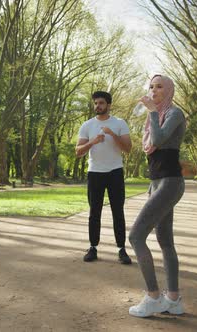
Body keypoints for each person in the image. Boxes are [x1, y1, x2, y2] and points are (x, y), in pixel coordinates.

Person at [127, 75, 186, 317]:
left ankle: (153, 297)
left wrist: (151, 111)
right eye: (151, 86)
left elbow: (160, 140)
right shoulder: (156, 116)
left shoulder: (175, 114)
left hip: (171, 182)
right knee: (165, 242)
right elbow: (152, 144)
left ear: (169, 90)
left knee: (136, 236)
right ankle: (173, 299)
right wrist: (152, 113)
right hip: (157, 182)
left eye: (159, 86)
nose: (154, 90)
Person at [75, 91, 132, 264]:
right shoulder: (87, 125)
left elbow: (128, 148)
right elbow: (78, 152)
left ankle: (121, 249)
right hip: (95, 173)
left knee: (118, 211)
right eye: (95, 103)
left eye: (101, 103)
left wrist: (112, 134)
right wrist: (92, 142)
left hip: (115, 171)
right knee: (94, 212)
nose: (97, 106)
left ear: (108, 105)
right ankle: (93, 247)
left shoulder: (119, 123)